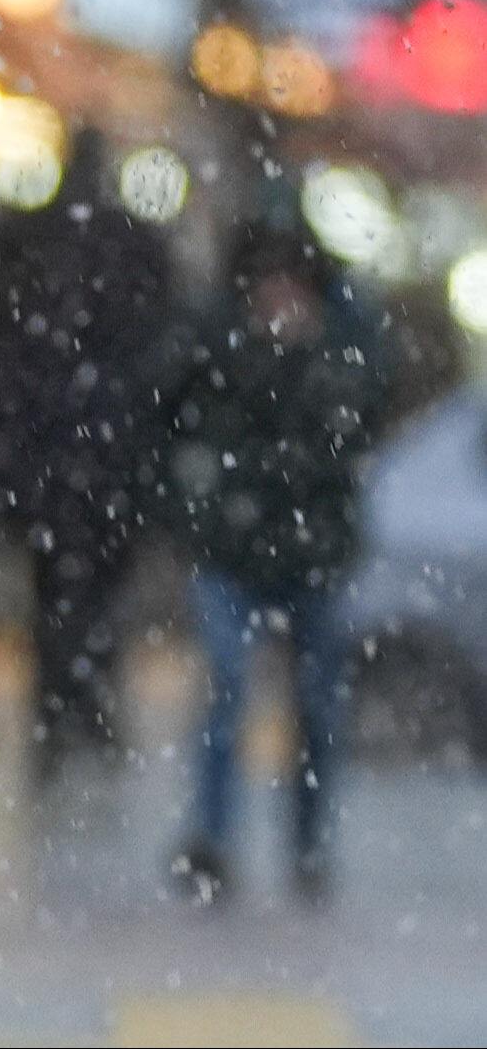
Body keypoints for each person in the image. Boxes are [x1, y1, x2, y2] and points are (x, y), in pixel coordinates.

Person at [160, 209, 383, 906]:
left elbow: (358, 421)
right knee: (229, 689)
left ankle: (307, 843)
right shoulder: (217, 342)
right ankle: (214, 838)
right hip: (235, 549)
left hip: (309, 553)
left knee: (314, 705)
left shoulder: (343, 347)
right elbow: (172, 420)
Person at [0, 125, 176, 780]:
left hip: (46, 456)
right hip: (105, 454)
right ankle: (90, 708)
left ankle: (56, 717)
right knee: (100, 588)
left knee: (51, 590)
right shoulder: (133, 244)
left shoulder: (21, 240)